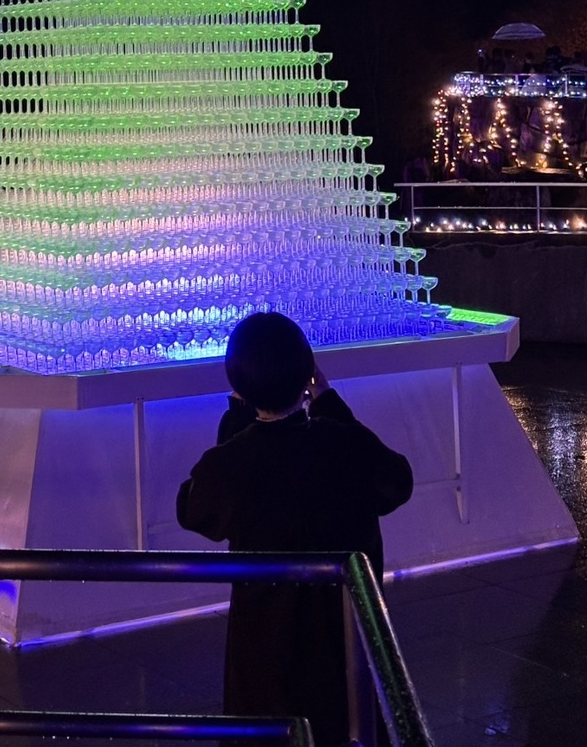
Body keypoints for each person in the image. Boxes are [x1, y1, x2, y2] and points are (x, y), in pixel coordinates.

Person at [177, 312, 413, 747]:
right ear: (308, 374)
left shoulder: (232, 465)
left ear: (239, 384)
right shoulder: (346, 445)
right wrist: (328, 401)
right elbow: (397, 482)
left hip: (268, 651)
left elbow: (192, 509)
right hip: (346, 638)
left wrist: (236, 419)